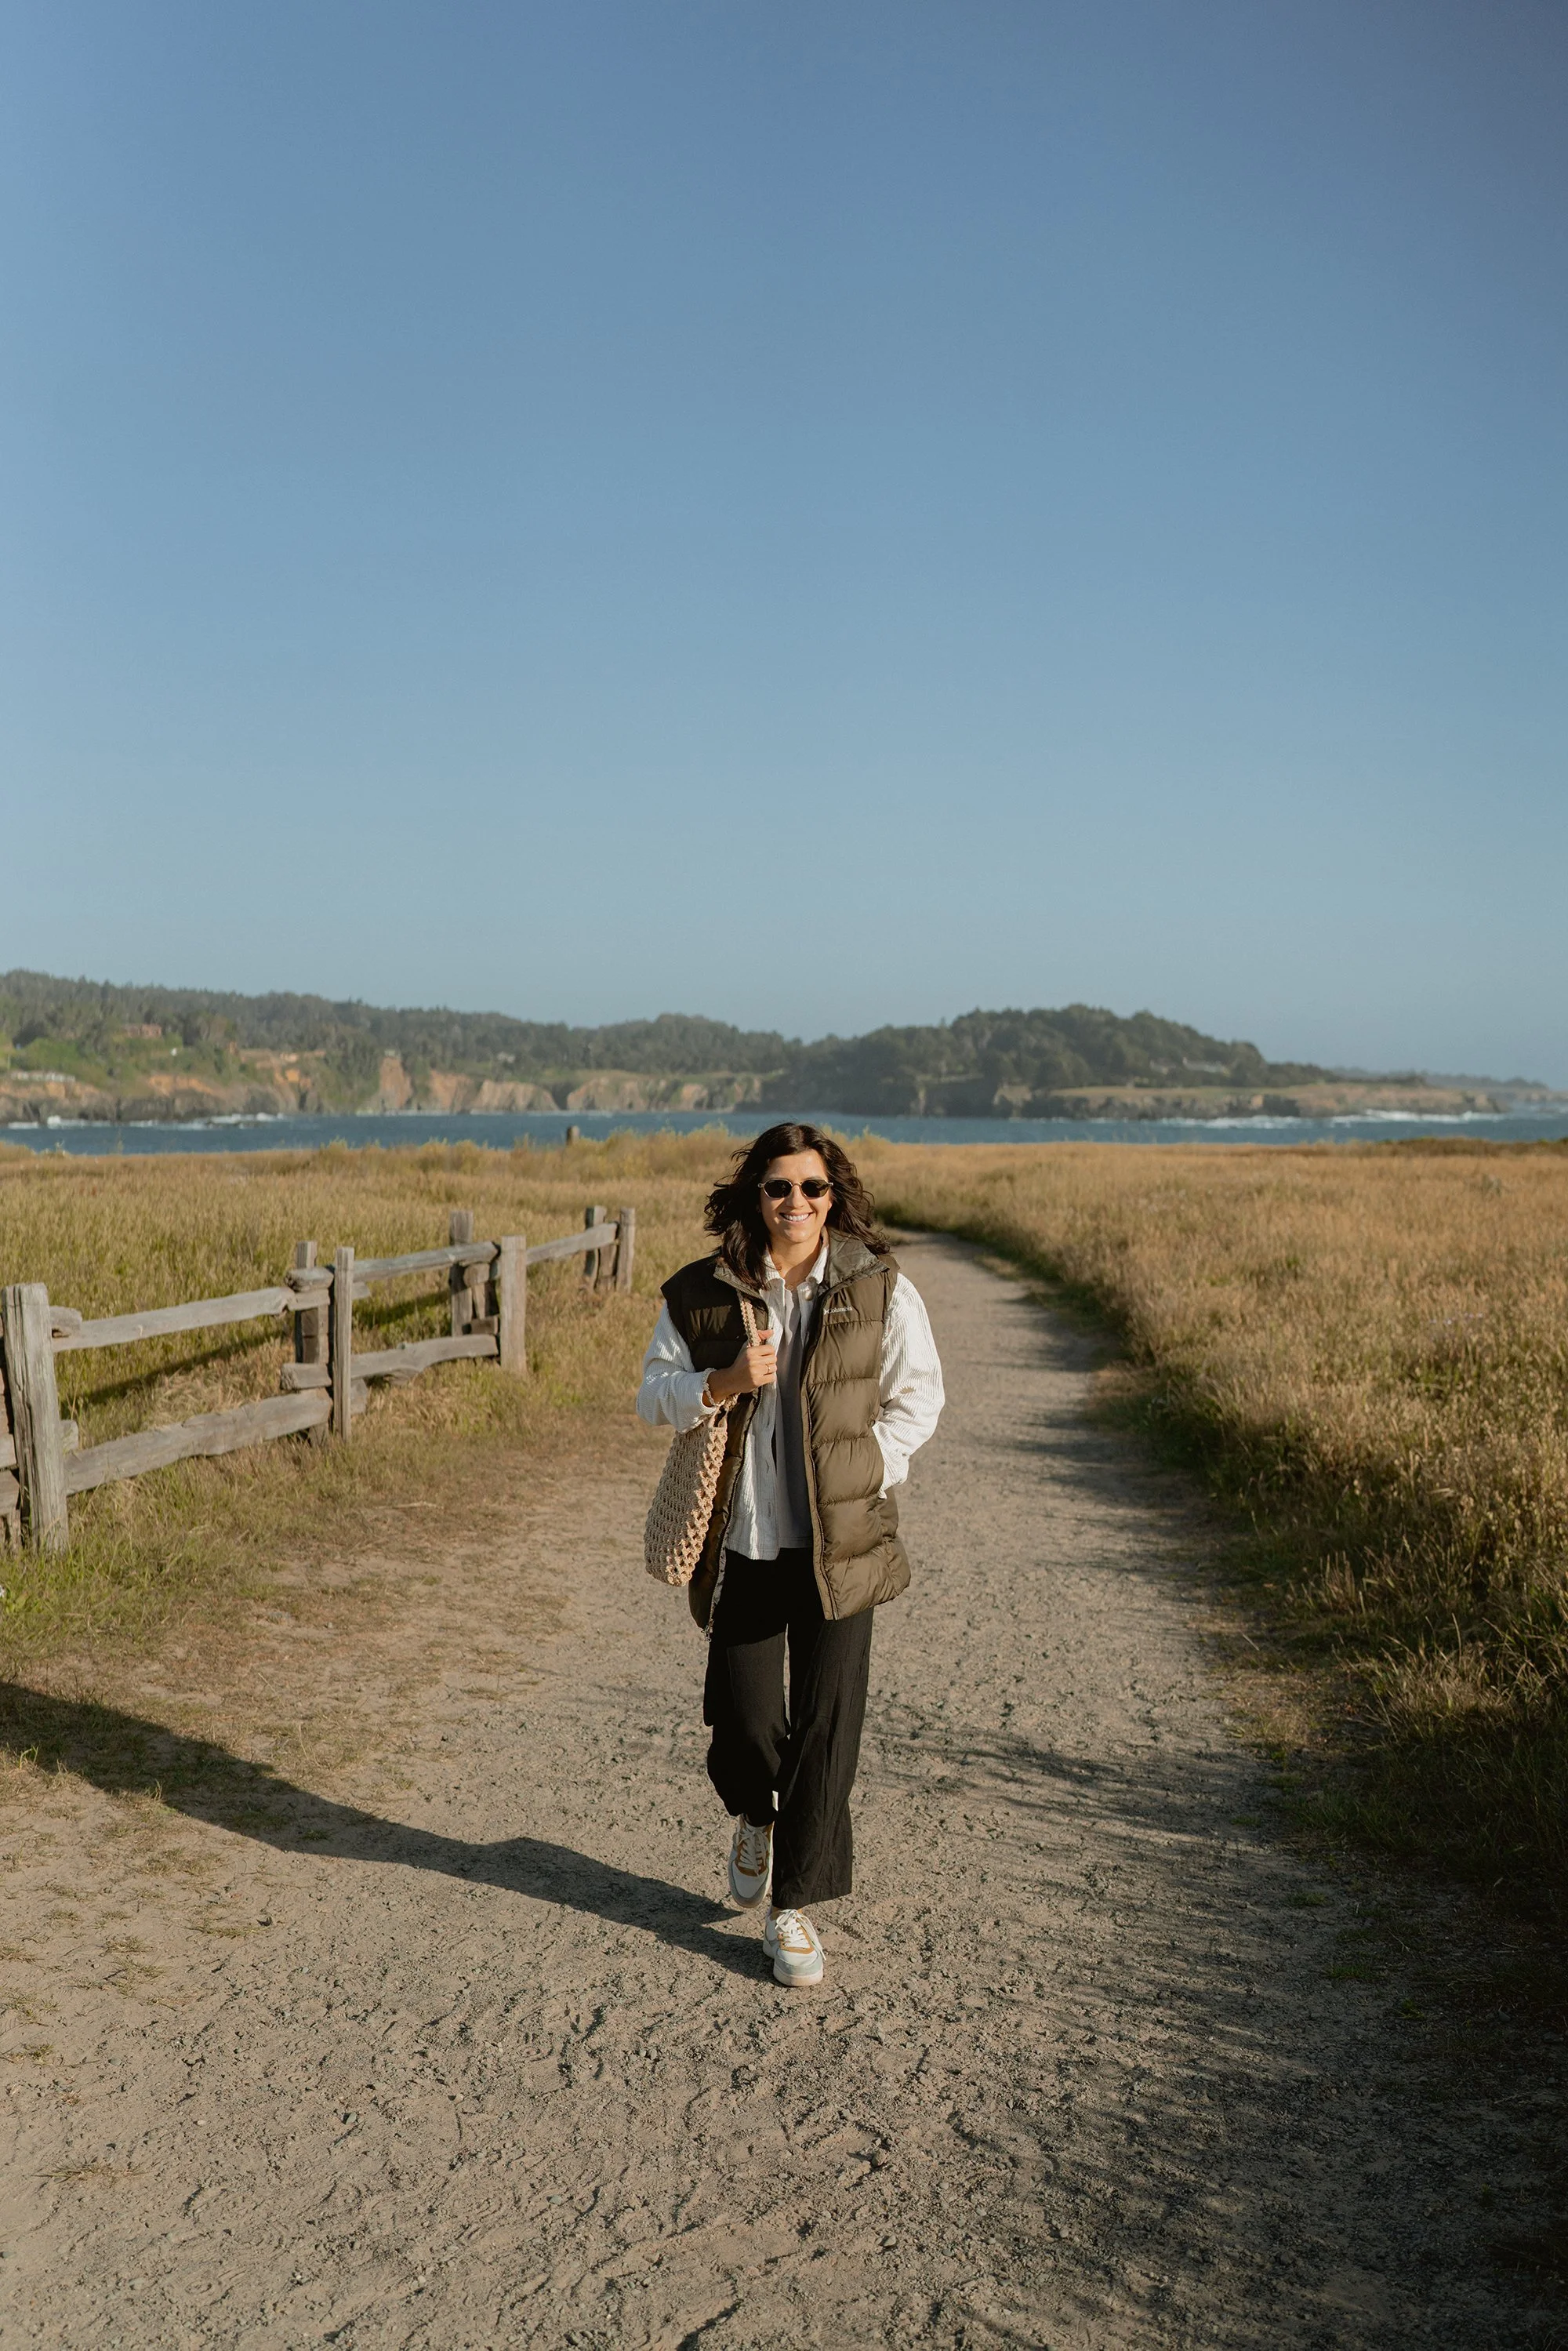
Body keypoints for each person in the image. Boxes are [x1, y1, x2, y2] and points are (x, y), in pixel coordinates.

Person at [637, 1123, 944, 1986]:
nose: (796, 1202)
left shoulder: (878, 1286)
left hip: (842, 1545)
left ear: (832, 1196)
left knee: (826, 1726)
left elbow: (919, 1398)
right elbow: (652, 1394)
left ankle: (793, 1908)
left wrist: (867, 1465)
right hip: (746, 1539)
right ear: (755, 1197)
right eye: (779, 1187)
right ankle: (753, 1813)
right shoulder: (703, 1292)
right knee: (744, 1723)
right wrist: (722, 1383)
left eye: (812, 1187)